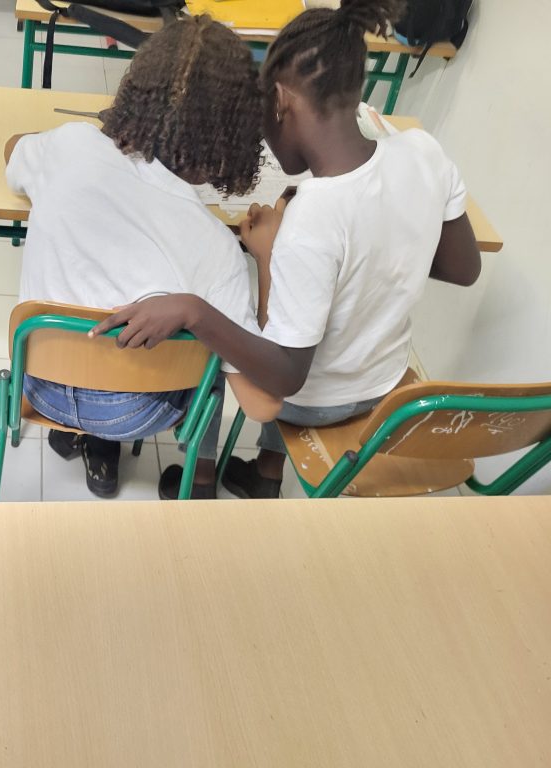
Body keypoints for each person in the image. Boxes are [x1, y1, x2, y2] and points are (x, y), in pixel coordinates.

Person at [90, 0, 482, 498]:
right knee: (316, 309)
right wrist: (380, 248)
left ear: (279, 100)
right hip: (385, 385)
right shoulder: (424, 152)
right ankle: (267, 473)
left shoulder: (310, 222)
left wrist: (236, 279)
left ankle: (201, 476)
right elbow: (463, 267)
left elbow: (284, 377)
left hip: (314, 399)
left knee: (219, 314)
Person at [4, 15, 282, 500]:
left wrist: (77, 144)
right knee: (216, 347)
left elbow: (11, 149)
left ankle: (85, 440)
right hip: (134, 413)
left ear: (135, 90)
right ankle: (196, 477)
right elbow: (261, 404)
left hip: (39, 384)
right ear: (233, 137)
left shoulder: (70, 146)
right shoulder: (217, 249)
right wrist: (266, 261)